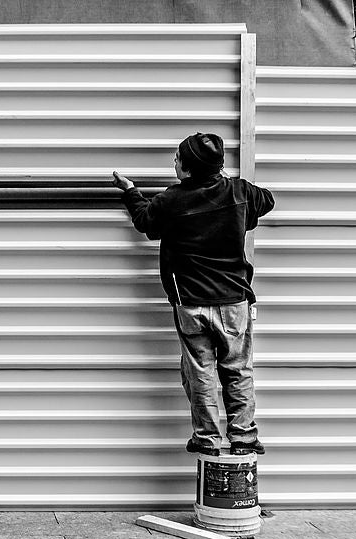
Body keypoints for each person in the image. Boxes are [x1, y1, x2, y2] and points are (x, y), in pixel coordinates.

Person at [112, 133, 274, 457]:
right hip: (233, 303)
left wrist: (130, 191)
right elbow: (265, 200)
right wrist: (227, 184)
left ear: (186, 170)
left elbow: (146, 222)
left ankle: (207, 441)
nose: (173, 162)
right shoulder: (239, 193)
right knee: (238, 372)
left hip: (191, 304)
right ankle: (243, 440)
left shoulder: (172, 200)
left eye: (177, 158)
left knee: (200, 374)